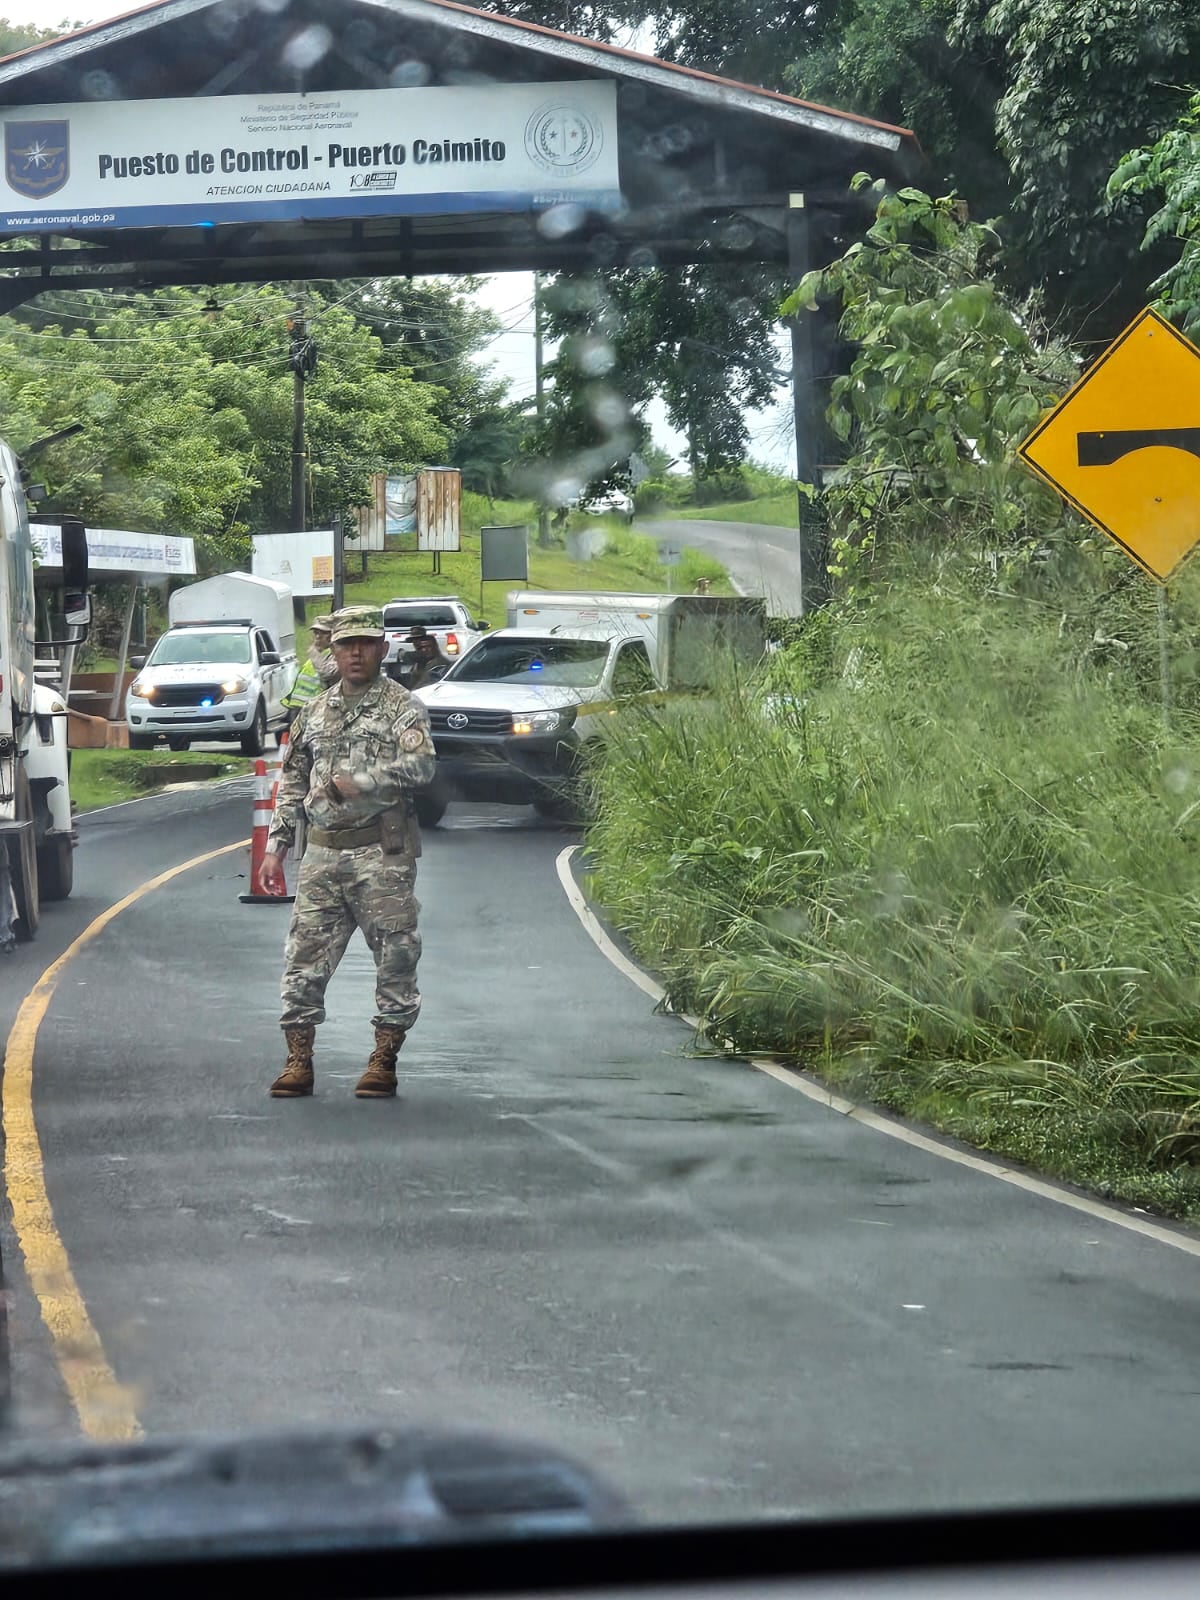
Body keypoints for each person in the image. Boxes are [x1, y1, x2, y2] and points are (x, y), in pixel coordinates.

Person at [260, 604, 436, 1100]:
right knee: (303, 960)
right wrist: (276, 846)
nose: (355, 653)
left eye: (365, 643)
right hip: (322, 856)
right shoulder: (314, 711)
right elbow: (292, 777)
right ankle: (299, 1059)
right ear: (333, 650)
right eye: (346, 644)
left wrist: (362, 783)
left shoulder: (402, 707)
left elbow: (422, 767)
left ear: (381, 648)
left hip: (381, 854)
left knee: (397, 957)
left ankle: (384, 1058)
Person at [282, 615, 339, 723]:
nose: (318, 637)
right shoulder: (319, 654)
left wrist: (314, 651)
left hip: (320, 710)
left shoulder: (336, 654)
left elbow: (327, 673)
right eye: (316, 633)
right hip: (299, 709)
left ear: (333, 634)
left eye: (323, 633)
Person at [400, 624, 452, 690]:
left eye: (418, 639)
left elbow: (422, 655)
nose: (415, 643)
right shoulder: (418, 663)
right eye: (414, 640)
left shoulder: (429, 644)